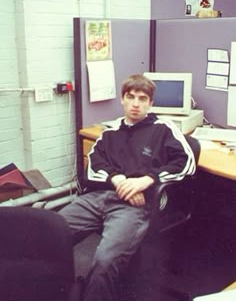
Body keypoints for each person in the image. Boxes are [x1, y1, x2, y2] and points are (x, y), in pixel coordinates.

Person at [59, 74, 196, 301]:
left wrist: (146, 180)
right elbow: (94, 164)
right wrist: (118, 180)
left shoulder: (163, 129)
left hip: (134, 206)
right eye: (130, 97)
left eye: (142, 99)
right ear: (122, 99)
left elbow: (185, 162)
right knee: (53, 232)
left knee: (105, 261)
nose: (135, 104)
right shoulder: (110, 132)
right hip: (99, 198)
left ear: (150, 103)